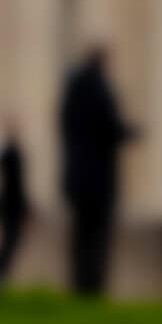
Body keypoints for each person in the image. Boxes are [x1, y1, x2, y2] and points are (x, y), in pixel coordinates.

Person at [58, 43, 138, 296]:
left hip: (78, 177)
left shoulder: (73, 87)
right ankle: (91, 285)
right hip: (99, 179)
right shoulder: (99, 89)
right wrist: (132, 132)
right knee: (96, 236)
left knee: (81, 235)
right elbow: (109, 127)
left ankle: (80, 283)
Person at [0, 116, 32, 278]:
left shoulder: (8, 153)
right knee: (8, 243)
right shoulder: (11, 153)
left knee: (8, 243)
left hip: (8, 204)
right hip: (11, 205)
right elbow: (17, 184)